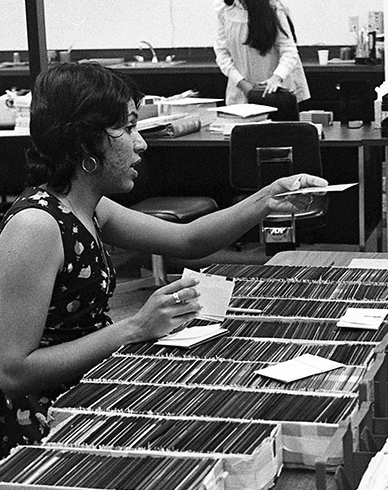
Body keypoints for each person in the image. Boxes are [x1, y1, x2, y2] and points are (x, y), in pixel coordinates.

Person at [0, 62, 326, 456]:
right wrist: (135, 327)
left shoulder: (89, 207)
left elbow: (187, 239)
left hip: (90, 386)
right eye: (128, 128)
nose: (142, 144)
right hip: (48, 425)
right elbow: (12, 372)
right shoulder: (36, 225)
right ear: (85, 143)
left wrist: (266, 197)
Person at [214, 0, 310, 105]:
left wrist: (276, 78)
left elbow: (289, 50)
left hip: (275, 87)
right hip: (241, 87)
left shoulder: (273, 9)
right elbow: (222, 53)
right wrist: (242, 83)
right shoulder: (224, 10)